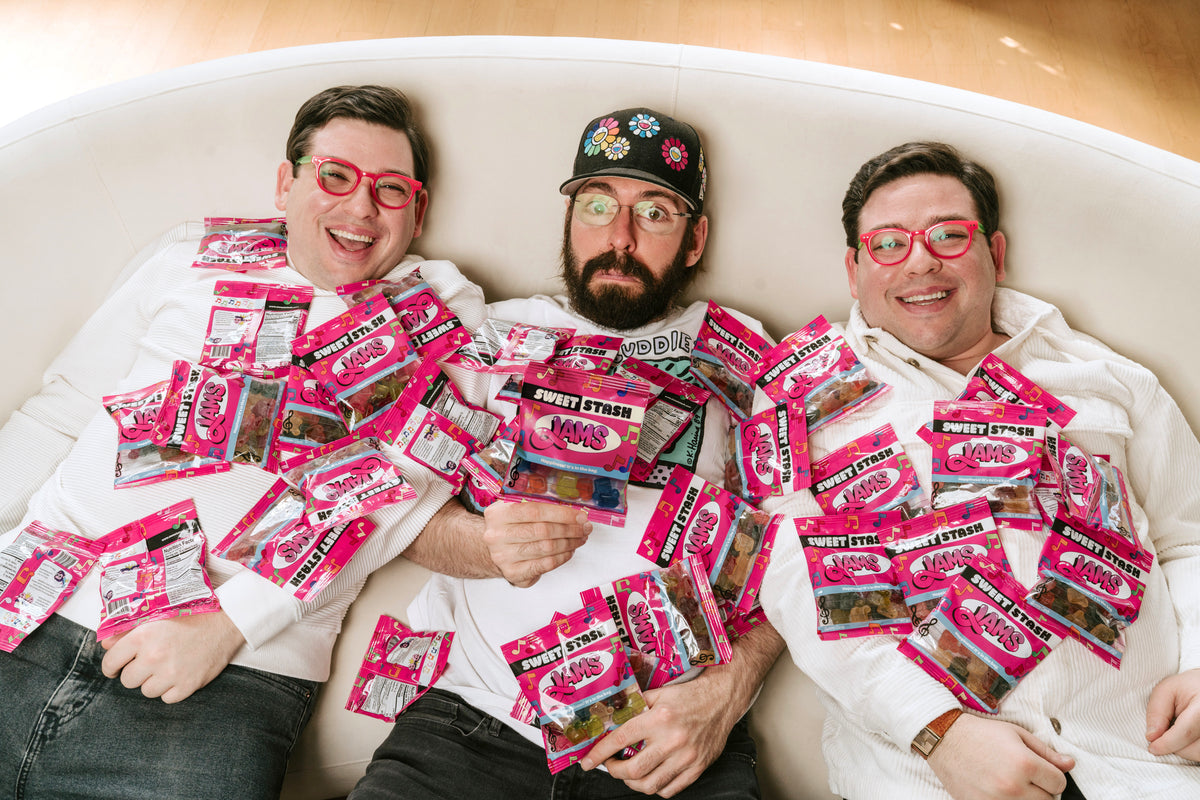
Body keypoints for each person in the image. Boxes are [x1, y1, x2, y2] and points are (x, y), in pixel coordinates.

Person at [0, 85, 485, 799]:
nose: (361, 209)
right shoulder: (190, 254)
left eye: (390, 190)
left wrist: (229, 624)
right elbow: (64, 406)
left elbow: (396, 497)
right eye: (336, 176)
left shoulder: (442, 309)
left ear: (419, 211)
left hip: (221, 675)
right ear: (286, 184)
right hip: (30, 597)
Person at [351, 107, 785, 800]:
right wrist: (481, 546)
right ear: (568, 219)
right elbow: (388, 510)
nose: (620, 237)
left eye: (655, 213)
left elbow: (810, 550)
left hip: (670, 737)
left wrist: (727, 693)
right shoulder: (493, 335)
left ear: (695, 239)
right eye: (597, 205)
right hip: (475, 727)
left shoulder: (747, 356)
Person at [759, 141, 1200, 800]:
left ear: (995, 252)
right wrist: (938, 731)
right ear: (854, 270)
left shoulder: (1108, 379)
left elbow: (1188, 539)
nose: (920, 262)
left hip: (1142, 766)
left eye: (947, 235)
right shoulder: (795, 395)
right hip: (925, 778)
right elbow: (795, 584)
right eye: (888, 244)